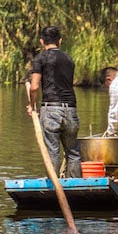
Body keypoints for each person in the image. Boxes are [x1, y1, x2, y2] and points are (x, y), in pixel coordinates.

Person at [27, 25, 81, 178]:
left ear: (41, 42)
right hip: (70, 108)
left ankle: (53, 185)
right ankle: (75, 185)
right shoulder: (69, 59)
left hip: (51, 108)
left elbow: (34, 87)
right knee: (73, 151)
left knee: (53, 150)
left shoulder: (40, 59)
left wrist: (32, 106)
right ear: (60, 41)